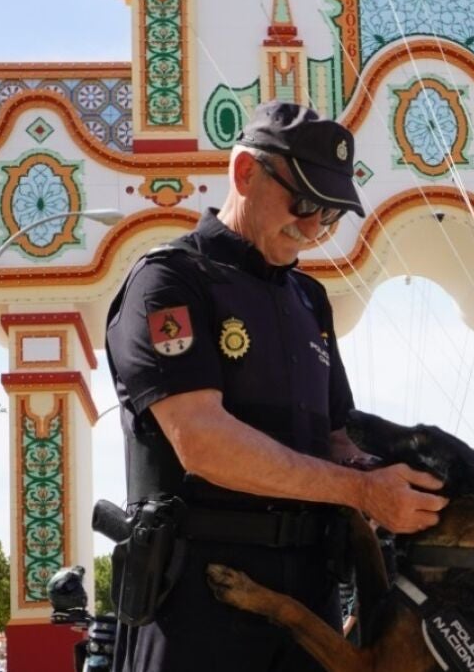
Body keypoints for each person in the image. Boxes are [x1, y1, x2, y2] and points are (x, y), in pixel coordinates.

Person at [105, 101, 448, 672]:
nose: (314, 229)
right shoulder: (170, 280)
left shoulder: (309, 300)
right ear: (245, 172)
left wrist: (402, 481)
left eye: (330, 214)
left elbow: (336, 436)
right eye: (305, 203)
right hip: (197, 597)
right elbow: (203, 443)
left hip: (309, 596)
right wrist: (362, 492)